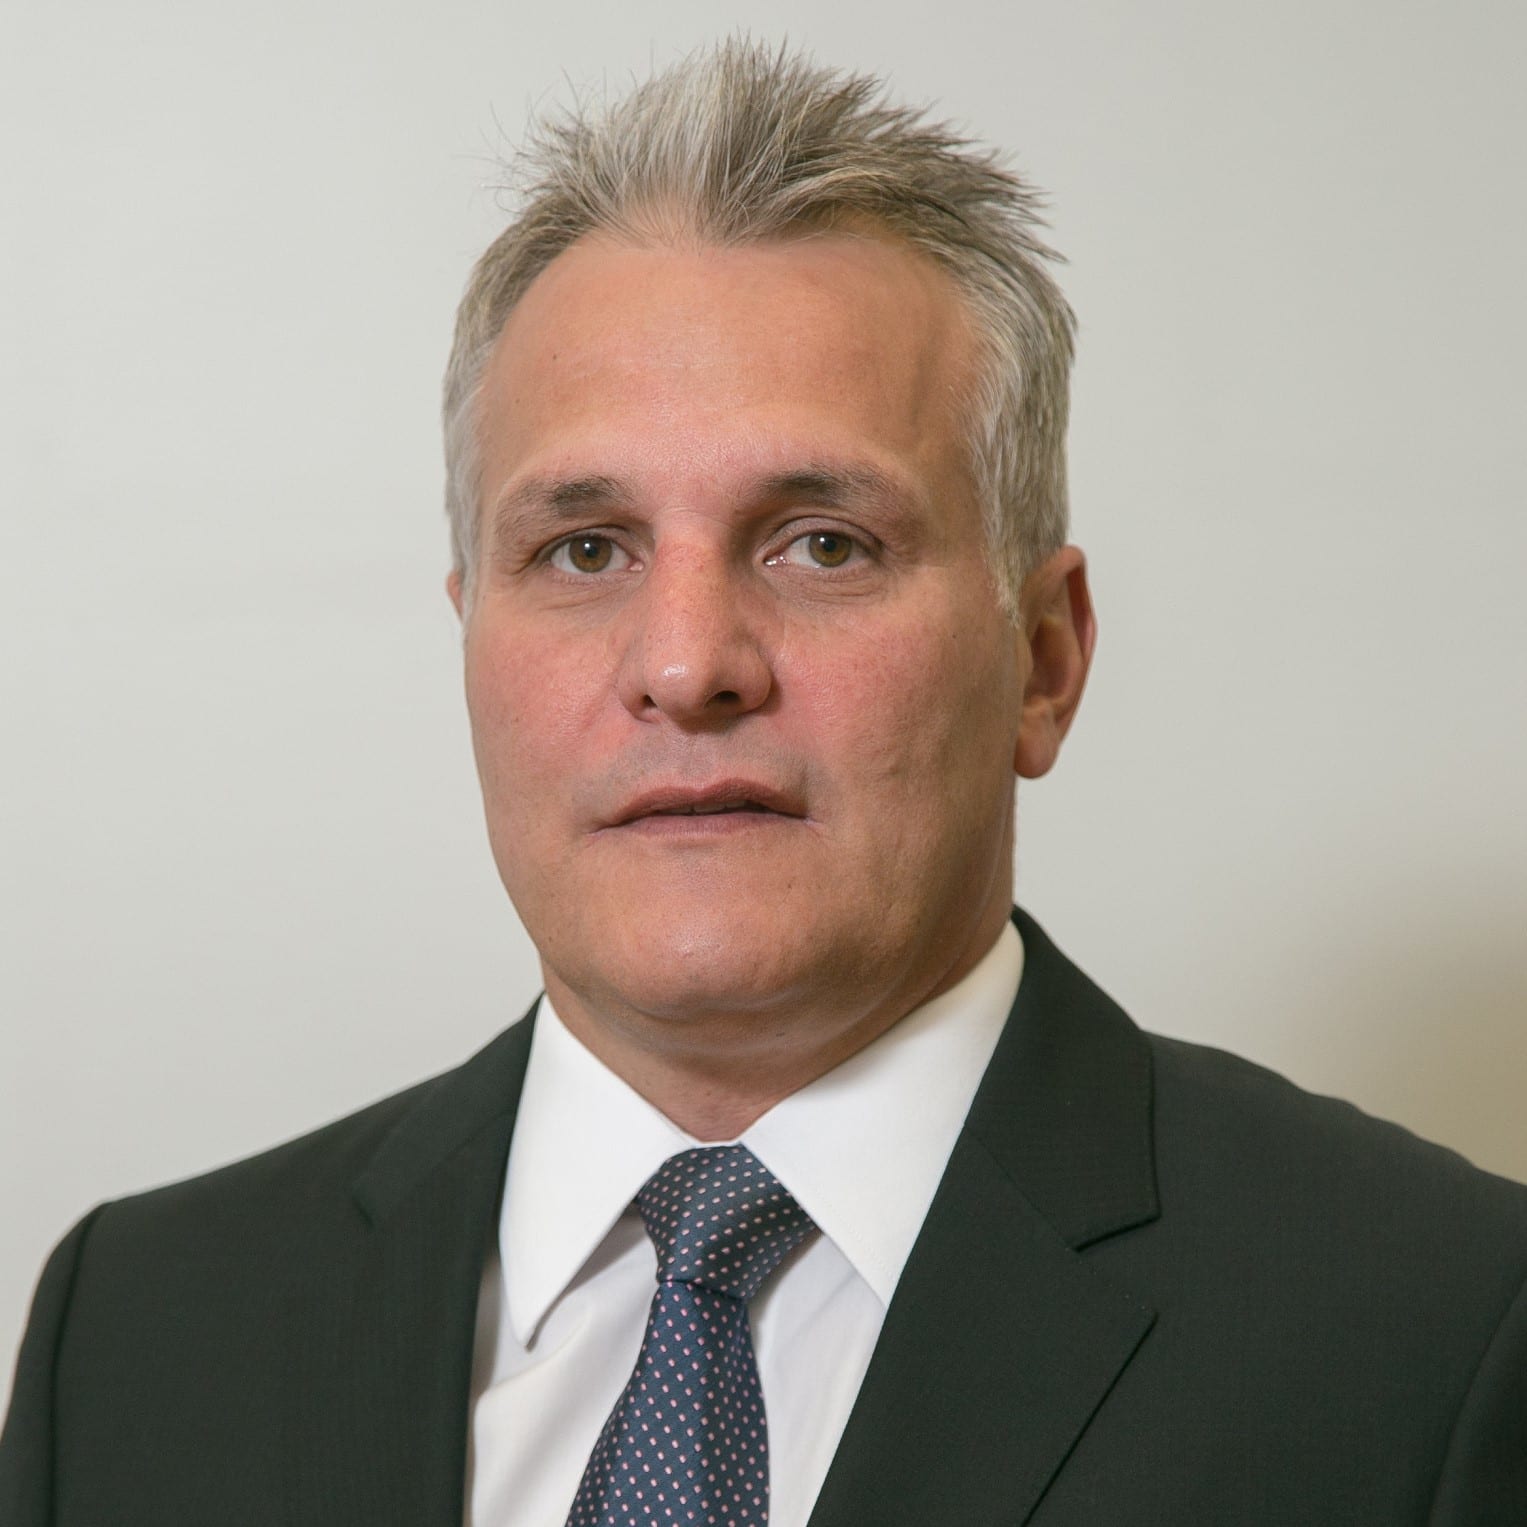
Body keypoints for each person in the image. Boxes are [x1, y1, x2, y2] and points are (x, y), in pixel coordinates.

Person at [3, 39, 1524, 1527]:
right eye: (584, 550)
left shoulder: (1440, 1338)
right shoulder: (135, 1337)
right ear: (471, 640)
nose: (686, 665)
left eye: (823, 544)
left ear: (1044, 660)